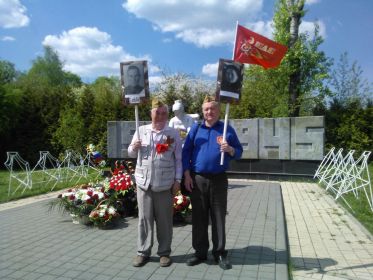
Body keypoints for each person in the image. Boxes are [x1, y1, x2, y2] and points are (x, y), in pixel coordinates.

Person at [182, 95, 243, 270]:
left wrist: (230, 149)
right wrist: (186, 175)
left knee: (218, 217)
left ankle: (219, 253)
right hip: (197, 178)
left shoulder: (226, 130)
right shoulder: (196, 129)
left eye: (213, 108)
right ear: (203, 111)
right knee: (199, 217)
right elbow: (186, 153)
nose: (210, 111)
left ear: (218, 110)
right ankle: (200, 252)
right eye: (206, 109)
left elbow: (239, 151)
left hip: (219, 179)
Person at [128, 98, 182, 268]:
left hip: (165, 184)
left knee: (165, 221)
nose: (160, 116)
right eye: (157, 112)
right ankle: (142, 252)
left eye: (163, 113)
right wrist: (134, 147)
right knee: (144, 220)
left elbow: (178, 160)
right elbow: (130, 153)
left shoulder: (173, 134)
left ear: (167, 115)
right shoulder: (141, 130)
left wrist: (178, 180)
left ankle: (164, 253)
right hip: (144, 184)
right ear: (151, 113)